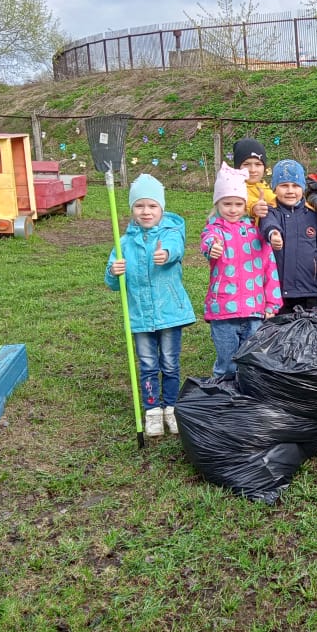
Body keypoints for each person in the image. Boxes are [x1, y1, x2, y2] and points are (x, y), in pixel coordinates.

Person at [105, 174, 195, 437]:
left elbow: (176, 248)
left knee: (170, 363)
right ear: (132, 209)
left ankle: (171, 407)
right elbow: (112, 283)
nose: (146, 211)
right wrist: (113, 272)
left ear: (161, 208)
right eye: (140, 206)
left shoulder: (171, 233)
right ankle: (153, 410)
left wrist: (165, 253)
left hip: (169, 313)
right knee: (147, 364)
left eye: (152, 206)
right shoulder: (123, 243)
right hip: (140, 316)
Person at [200, 163, 282, 379]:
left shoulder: (256, 232)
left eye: (238, 204)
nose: (233, 209)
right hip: (224, 311)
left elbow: (269, 269)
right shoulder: (214, 229)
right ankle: (222, 394)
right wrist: (212, 247)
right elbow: (208, 240)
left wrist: (272, 303)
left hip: (254, 310)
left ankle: (247, 395)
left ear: (245, 205)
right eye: (227, 203)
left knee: (251, 363)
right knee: (226, 364)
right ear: (218, 204)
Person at [260, 159, 317, 314]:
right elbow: (268, 224)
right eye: (284, 185)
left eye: (295, 186)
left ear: (303, 188)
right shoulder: (270, 212)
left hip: (310, 293)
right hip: (278, 295)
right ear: (274, 188)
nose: (290, 191)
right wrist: (273, 233)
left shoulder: (314, 217)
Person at [232, 137, 276, 221]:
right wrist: (253, 207)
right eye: (246, 164)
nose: (253, 170)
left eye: (258, 164)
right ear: (237, 167)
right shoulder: (232, 187)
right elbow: (240, 200)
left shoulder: (264, 186)